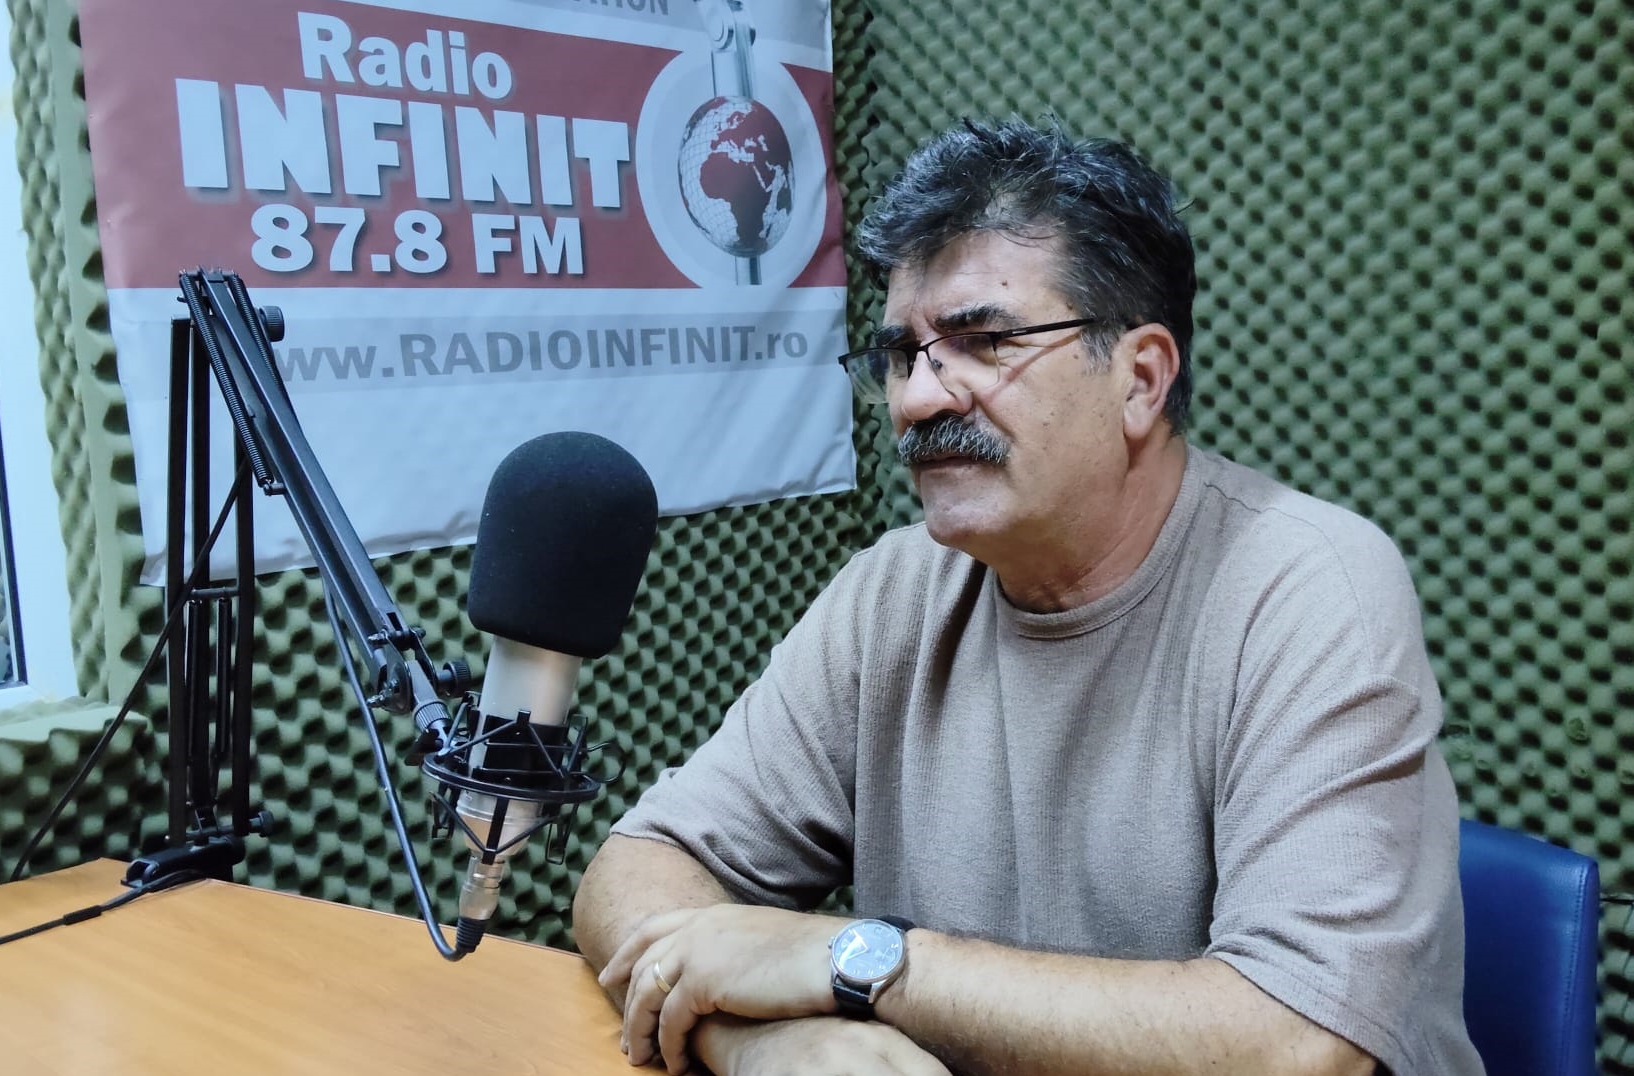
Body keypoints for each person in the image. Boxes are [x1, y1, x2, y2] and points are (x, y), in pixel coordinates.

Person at [573, 117, 1483, 1076]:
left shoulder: (1309, 587)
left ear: (1141, 380)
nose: (918, 400)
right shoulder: (889, 594)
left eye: (982, 342)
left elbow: (1299, 1044)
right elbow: (635, 870)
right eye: (903, 354)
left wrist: (859, 963)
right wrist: (767, 1038)